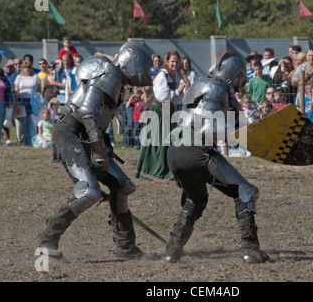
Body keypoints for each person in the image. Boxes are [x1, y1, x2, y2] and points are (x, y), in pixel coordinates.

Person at [36, 41, 152, 259]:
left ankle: (125, 247)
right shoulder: (110, 73)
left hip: (89, 136)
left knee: (123, 186)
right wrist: (99, 152)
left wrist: (102, 149)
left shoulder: (118, 82)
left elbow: (97, 121)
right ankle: (47, 241)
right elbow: (87, 112)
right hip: (71, 133)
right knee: (89, 192)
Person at [164, 51, 270, 264]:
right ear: (235, 74)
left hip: (174, 150)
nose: (242, 84)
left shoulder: (200, 83)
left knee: (196, 199)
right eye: (241, 78)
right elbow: (214, 127)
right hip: (196, 150)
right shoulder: (217, 88)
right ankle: (250, 250)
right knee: (246, 191)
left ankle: (172, 251)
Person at [135, 50, 186, 181]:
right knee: (156, 141)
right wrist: (177, 91)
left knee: (167, 141)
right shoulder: (162, 76)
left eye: (177, 61)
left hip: (169, 111)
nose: (175, 63)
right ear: (167, 62)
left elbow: (176, 99)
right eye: (172, 61)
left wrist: (179, 94)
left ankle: (168, 169)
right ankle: (151, 170)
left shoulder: (175, 76)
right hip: (158, 110)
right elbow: (162, 96)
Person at [14, 59, 40, 146]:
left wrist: (38, 101)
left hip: (33, 101)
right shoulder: (19, 77)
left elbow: (39, 90)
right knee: (24, 122)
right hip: (22, 101)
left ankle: (34, 141)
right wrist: (16, 102)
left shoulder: (35, 77)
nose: (27, 69)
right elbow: (16, 90)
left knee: (32, 122)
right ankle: (27, 142)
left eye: (28, 67)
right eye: (24, 67)